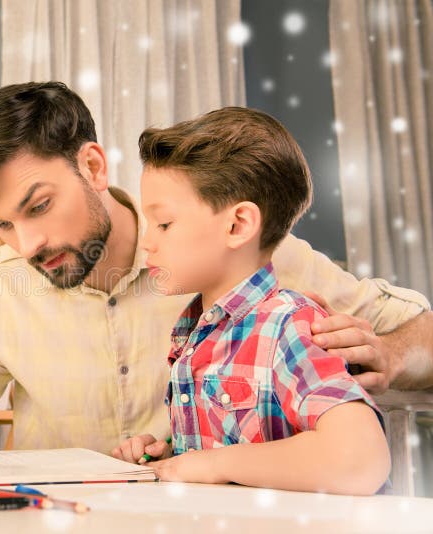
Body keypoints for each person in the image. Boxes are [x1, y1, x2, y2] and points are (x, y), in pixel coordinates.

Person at [0, 82, 432, 461]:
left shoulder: (236, 250)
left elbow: (421, 332)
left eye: (38, 206)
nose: (26, 244)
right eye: (2, 224)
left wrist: (392, 352)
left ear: (93, 166)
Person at [111, 107, 389, 495]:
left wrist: (212, 464)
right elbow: (249, 445)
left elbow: (360, 459)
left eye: (164, 224)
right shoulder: (194, 333)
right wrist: (171, 457)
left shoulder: (289, 325)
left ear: (238, 225)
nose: (147, 242)